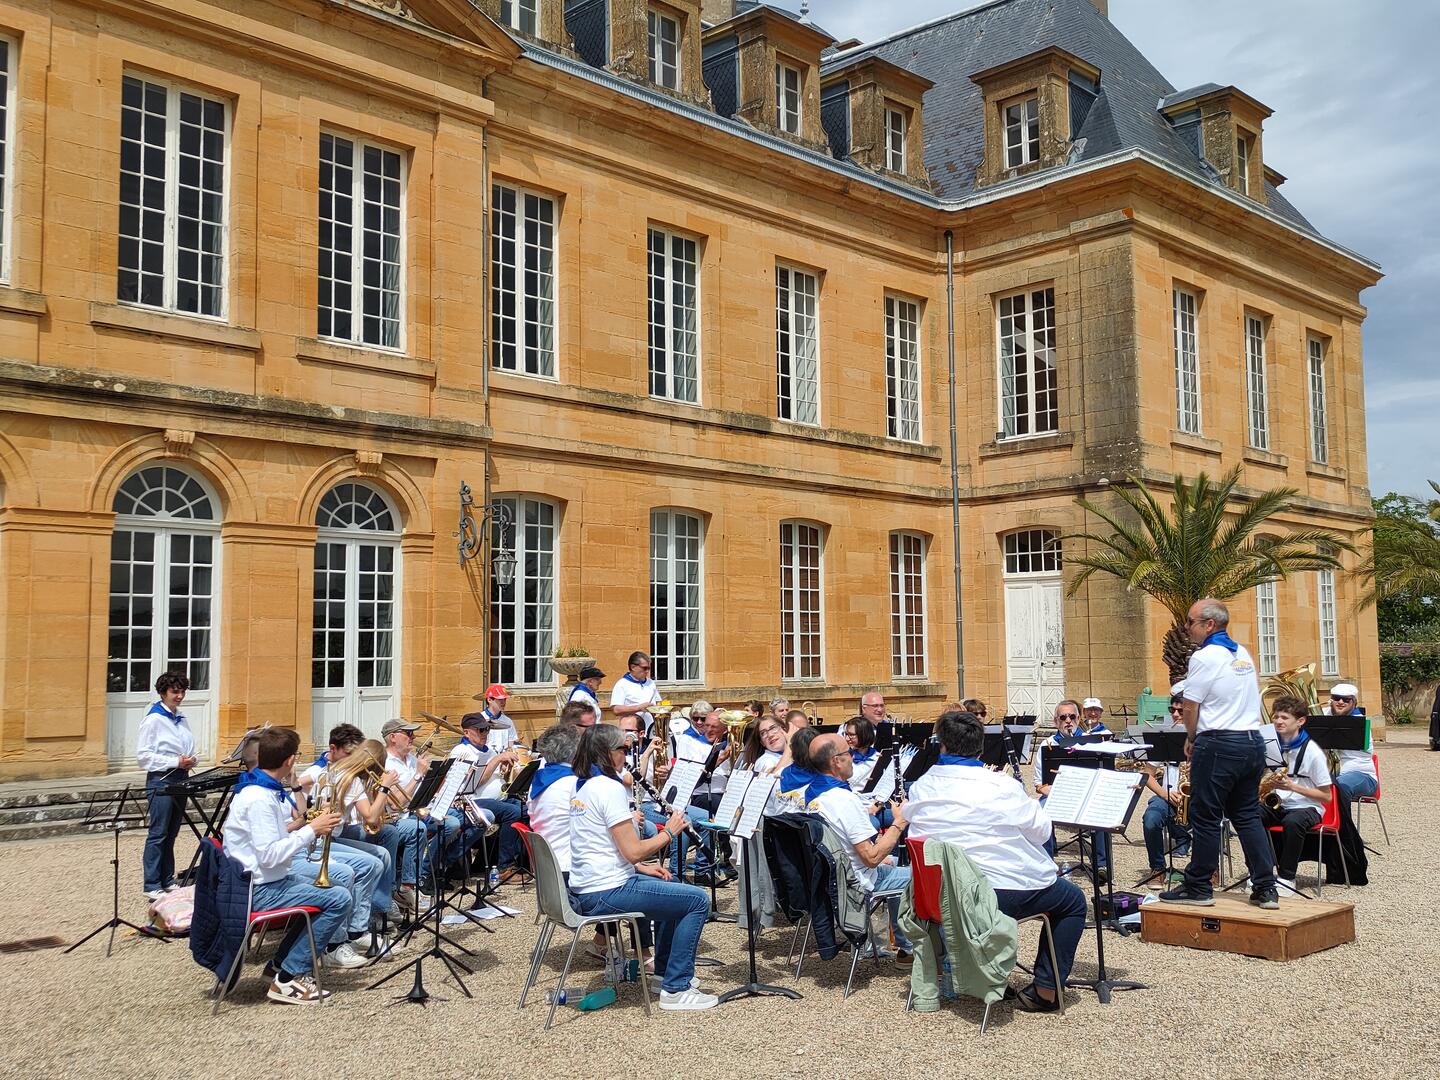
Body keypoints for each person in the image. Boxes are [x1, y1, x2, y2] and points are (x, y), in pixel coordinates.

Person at [906, 711, 1087, 1012]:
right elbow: (1042, 831)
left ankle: (984, 973)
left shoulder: (921, 787)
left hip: (937, 899)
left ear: (942, 746)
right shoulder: (1000, 786)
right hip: (993, 898)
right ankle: (1046, 989)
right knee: (1073, 901)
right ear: (981, 748)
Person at [567, 724, 715, 1010]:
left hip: (595, 885)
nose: (628, 755)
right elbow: (633, 849)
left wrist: (642, 868)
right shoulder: (608, 788)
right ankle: (677, 989)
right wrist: (669, 832)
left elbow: (606, 849)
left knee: (673, 888)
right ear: (605, 753)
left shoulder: (584, 785)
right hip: (605, 891)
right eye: (623, 749)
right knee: (697, 901)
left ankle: (662, 975)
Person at [1160, 598, 1279, 909]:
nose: (1186, 628)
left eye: (1190, 622)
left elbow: (1190, 704)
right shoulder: (1242, 653)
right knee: (1247, 815)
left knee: (1206, 816)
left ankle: (1198, 886)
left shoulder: (1204, 657)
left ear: (1209, 624)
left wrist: (1190, 736)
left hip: (1219, 743)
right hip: (1252, 741)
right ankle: (1266, 887)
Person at [224, 726, 349, 1004]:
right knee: (339, 898)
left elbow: (272, 841)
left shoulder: (259, 789)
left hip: (265, 880)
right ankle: (289, 976)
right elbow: (269, 855)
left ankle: (279, 965)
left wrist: (309, 824)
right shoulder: (259, 798)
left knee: (332, 888)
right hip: (257, 888)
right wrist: (312, 830)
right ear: (290, 761)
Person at [804, 733, 912, 960]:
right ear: (836, 761)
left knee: (892, 862)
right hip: (855, 882)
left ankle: (904, 944)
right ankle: (912, 950)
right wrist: (900, 822)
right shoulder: (843, 800)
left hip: (830, 878)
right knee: (925, 875)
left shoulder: (812, 795)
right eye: (848, 753)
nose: (852, 757)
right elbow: (871, 858)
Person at [1262, 697, 1334, 898]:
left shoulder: (1313, 753)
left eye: (1285, 717)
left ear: (1300, 721)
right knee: (1248, 816)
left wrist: (1293, 786)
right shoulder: (1271, 745)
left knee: (1293, 822)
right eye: (1276, 716)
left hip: (1308, 806)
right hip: (1279, 802)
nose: (1278, 721)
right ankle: (1260, 872)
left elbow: (1326, 796)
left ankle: (1286, 877)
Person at [136, 670, 198, 900]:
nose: (179, 696)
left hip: (180, 778)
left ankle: (167, 879)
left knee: (171, 832)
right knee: (158, 832)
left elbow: (189, 747)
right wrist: (175, 761)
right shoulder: (153, 720)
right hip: (161, 780)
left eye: (182, 691)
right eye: (175, 692)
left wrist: (191, 760)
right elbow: (143, 757)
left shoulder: (181, 718)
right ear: (163, 693)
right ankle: (151, 883)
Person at [1034, 699, 1109, 884]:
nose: (1068, 720)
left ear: (1078, 718)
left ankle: (1101, 866)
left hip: (1086, 795)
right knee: (1040, 812)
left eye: (1072, 716)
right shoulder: (1046, 746)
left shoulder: (1092, 743)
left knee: (1103, 811)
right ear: (1055, 721)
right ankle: (1047, 864)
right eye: (1063, 717)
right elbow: (1039, 784)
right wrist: (1053, 791)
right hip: (1057, 796)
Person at [450, 712, 525, 882]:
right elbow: (474, 783)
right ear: (467, 733)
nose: (485, 734)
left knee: (526, 810)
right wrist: (497, 759)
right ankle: (504, 867)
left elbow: (494, 775)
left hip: (497, 797)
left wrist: (504, 769)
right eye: (480, 730)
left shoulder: (488, 750)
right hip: (471, 800)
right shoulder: (462, 751)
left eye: (486, 730)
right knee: (513, 813)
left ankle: (508, 860)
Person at [1137, 695, 1192, 888]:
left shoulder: (1204, 737)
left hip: (1197, 798)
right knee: (1151, 819)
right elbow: (1147, 775)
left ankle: (1209, 870)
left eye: (1180, 711)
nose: (1175, 715)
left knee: (1210, 820)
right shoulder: (1165, 737)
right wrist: (1164, 794)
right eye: (1172, 710)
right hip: (1168, 796)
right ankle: (1158, 868)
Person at [1322, 683, 1377, 808]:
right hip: (1331, 774)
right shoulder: (1321, 716)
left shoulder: (1359, 722)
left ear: (1354, 702)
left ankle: (1345, 827)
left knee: (1339, 786)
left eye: (1346, 699)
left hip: (1362, 774)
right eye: (1336, 698)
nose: (1340, 702)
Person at [610, 651, 661, 734]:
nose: (647, 671)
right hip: (632, 731)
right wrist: (639, 708)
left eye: (649, 668)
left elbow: (658, 702)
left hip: (651, 729)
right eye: (644, 668)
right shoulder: (622, 684)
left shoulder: (651, 683)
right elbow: (616, 710)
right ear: (633, 667)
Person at [473, 684, 520, 752]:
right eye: (500, 699)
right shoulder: (479, 719)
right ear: (489, 699)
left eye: (504, 699)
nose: (503, 702)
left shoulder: (508, 721)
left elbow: (512, 744)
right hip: (484, 758)